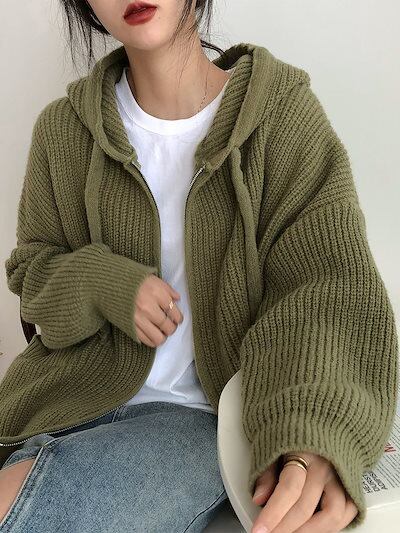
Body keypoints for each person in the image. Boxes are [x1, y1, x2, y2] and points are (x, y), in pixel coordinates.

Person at [0, 1, 398, 532]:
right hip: (58, 403)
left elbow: (329, 290)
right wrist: (101, 282)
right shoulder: (64, 129)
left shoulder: (280, 117)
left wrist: (314, 430)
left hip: (195, 421)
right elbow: (33, 279)